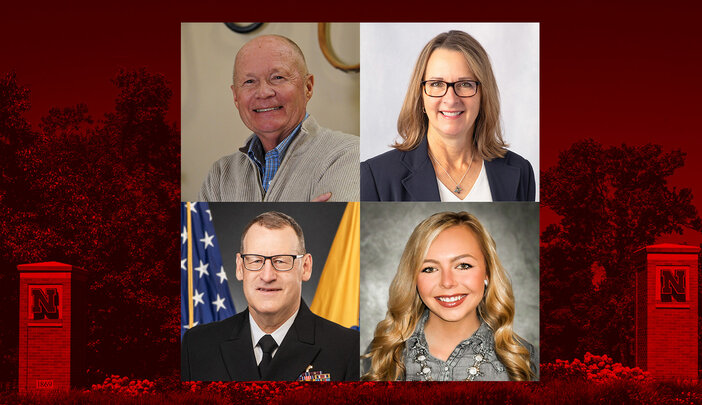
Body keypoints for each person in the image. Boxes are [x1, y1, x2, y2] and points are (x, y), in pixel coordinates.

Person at [181, 211, 359, 381]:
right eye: (256, 260)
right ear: (239, 267)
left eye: (281, 261)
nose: (267, 276)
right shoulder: (197, 345)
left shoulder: (346, 348)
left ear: (305, 267)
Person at [361, 30, 535, 201]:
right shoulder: (375, 176)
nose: (451, 99)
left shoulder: (521, 171)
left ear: (483, 95)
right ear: (421, 96)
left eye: (465, 84)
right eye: (436, 83)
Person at [362, 212, 537, 381]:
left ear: (487, 272)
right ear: (413, 278)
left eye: (463, 265)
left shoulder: (525, 359)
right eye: (429, 269)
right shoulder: (382, 354)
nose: (447, 282)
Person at [199, 35, 359, 202]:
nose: (263, 92)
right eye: (249, 81)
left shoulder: (349, 156)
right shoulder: (219, 176)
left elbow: (339, 228)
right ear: (235, 97)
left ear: (308, 87)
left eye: (278, 77)